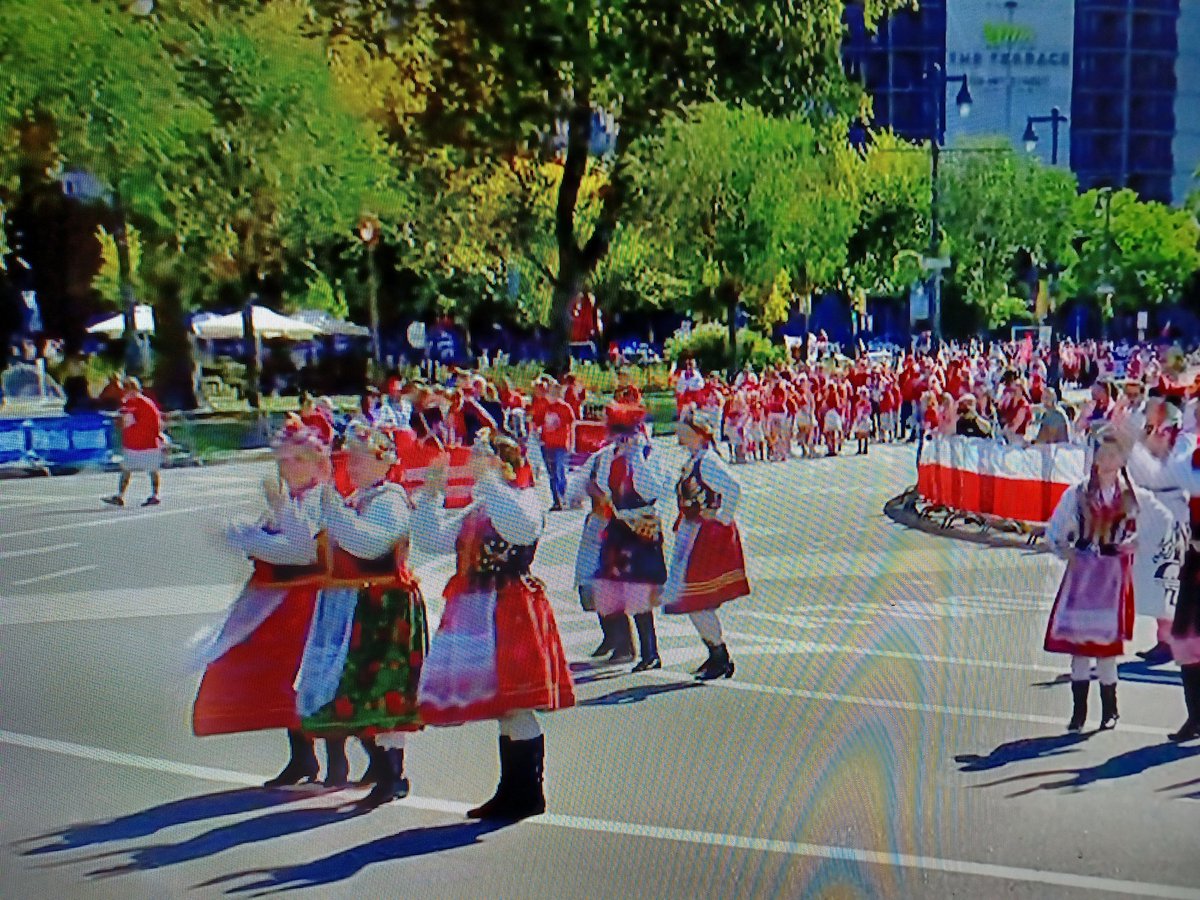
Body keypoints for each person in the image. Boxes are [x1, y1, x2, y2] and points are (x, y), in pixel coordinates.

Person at [413, 431, 575, 820]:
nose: (471, 462)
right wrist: (432, 494)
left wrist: (489, 479)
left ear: (502, 464)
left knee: (516, 703)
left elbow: (520, 529)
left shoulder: (522, 499)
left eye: (481, 456)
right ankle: (512, 790)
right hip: (478, 608)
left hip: (510, 606)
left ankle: (528, 793)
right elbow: (432, 539)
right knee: (504, 707)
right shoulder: (481, 504)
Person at [191, 418, 331, 785]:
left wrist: (251, 539)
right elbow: (273, 540)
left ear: (318, 463)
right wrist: (244, 534)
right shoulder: (289, 500)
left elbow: (301, 551)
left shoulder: (321, 499)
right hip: (279, 603)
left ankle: (344, 761)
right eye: (283, 461)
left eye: (297, 460)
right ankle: (303, 757)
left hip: (311, 600)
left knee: (317, 678)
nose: (288, 468)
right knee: (282, 679)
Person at [296, 423, 429, 808]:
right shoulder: (360, 498)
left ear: (382, 461)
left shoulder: (391, 500)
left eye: (359, 457)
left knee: (386, 687)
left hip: (386, 604)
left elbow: (369, 544)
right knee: (362, 686)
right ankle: (382, 770)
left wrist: (331, 506)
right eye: (349, 457)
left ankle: (393, 775)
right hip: (362, 604)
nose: (351, 464)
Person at [1043, 429, 1150, 732]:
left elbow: (1147, 531)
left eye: (1113, 455)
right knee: (1079, 648)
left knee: (1105, 650)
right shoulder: (1078, 492)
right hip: (1084, 574)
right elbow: (1056, 530)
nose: (1106, 460)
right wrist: (1065, 549)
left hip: (1112, 576)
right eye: (1102, 454)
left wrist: (1131, 544)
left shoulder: (1130, 495)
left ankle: (1110, 711)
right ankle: (1079, 713)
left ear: (1122, 460)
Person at [664, 407, 751, 680]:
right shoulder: (695, 459)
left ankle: (720, 656)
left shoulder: (708, 461)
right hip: (694, 533)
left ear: (697, 434)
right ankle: (716, 654)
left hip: (708, 537)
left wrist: (721, 516)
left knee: (696, 599)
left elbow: (734, 488)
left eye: (684, 430)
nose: (679, 434)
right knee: (692, 599)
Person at [581, 402, 668, 671]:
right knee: (612, 586)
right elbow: (605, 486)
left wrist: (635, 457)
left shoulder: (650, 453)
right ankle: (622, 644)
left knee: (640, 591)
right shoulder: (608, 455)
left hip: (642, 527)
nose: (619, 438)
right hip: (618, 528)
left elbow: (650, 489)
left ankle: (650, 652)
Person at [103, 378, 165, 508]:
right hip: (132, 445)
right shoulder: (126, 404)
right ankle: (120, 496)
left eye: (127, 388)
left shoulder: (146, 404)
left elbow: (156, 423)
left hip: (148, 444)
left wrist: (157, 436)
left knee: (152, 470)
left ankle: (155, 495)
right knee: (126, 470)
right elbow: (123, 422)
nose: (125, 391)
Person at [537, 380, 575, 511]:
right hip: (548, 444)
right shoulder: (546, 406)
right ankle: (556, 500)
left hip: (560, 445)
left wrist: (571, 444)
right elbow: (539, 422)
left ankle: (563, 497)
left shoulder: (565, 408)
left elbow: (571, 426)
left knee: (560, 471)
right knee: (551, 473)